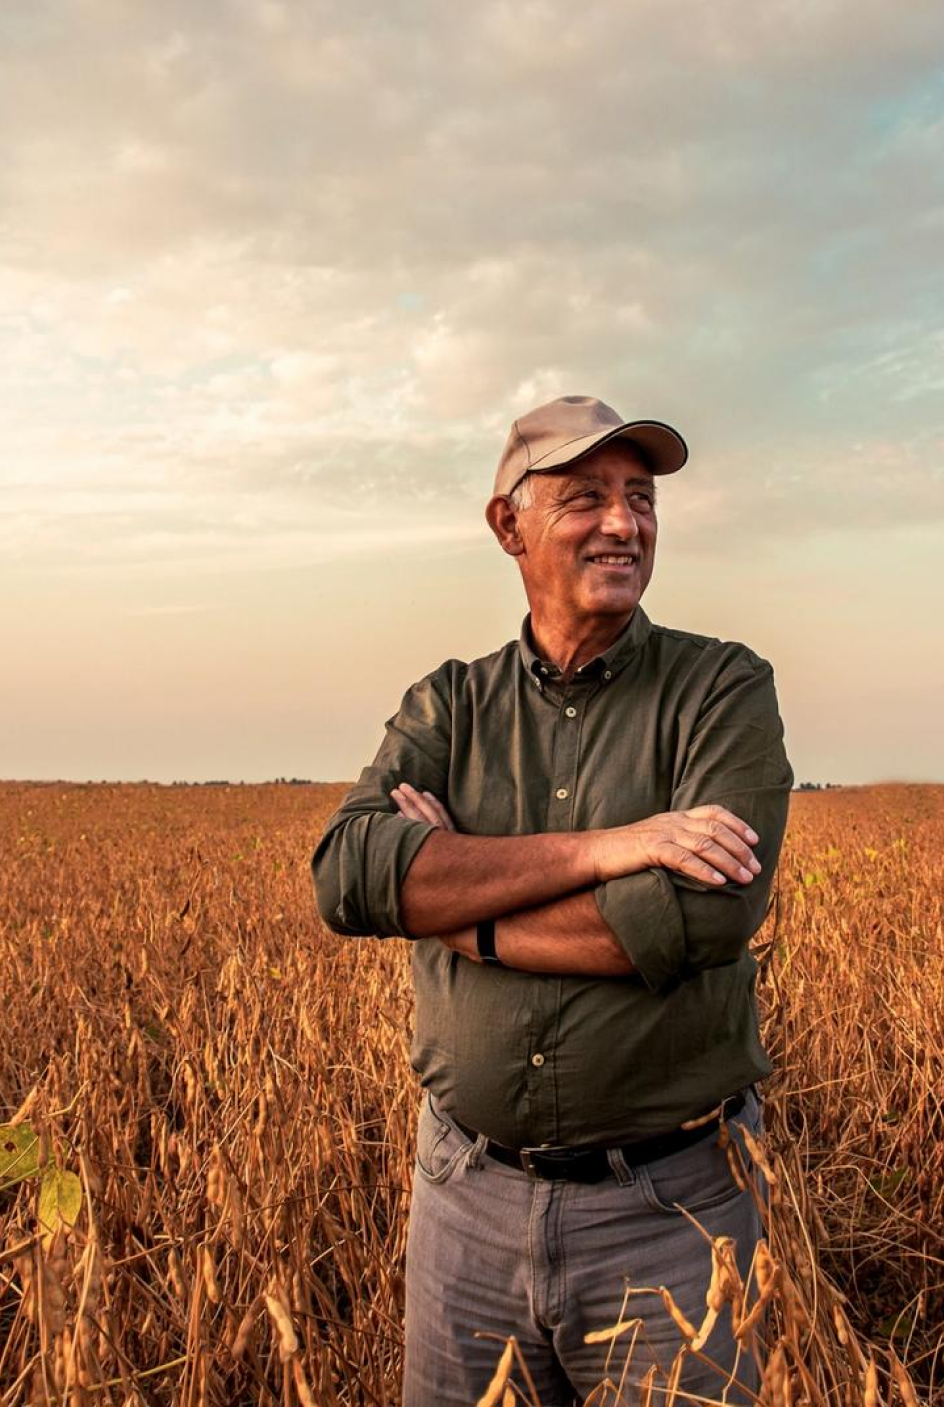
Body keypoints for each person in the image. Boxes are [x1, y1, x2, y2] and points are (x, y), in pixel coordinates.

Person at [312, 394, 792, 1405]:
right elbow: (351, 873)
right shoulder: (449, 704)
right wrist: (611, 847)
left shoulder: (720, 690)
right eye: (585, 498)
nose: (624, 522)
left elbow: (700, 916)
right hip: (465, 1204)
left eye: (639, 498)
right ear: (508, 525)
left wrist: (458, 903)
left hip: (673, 1211)